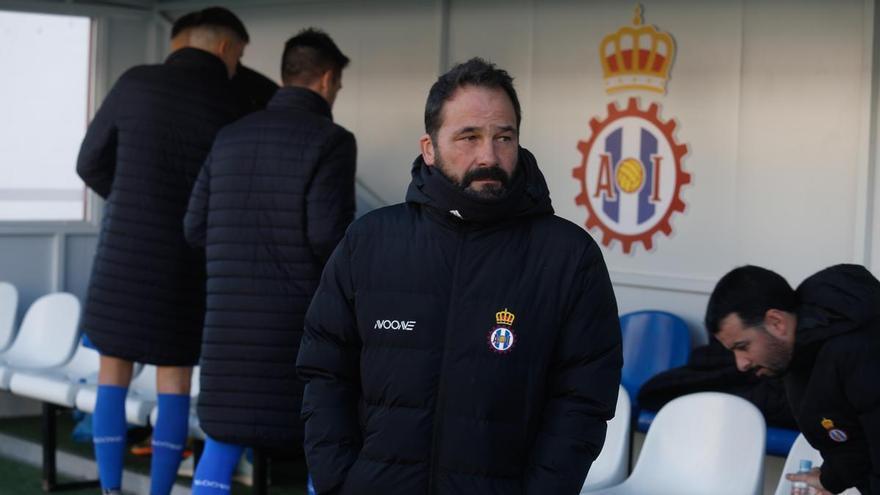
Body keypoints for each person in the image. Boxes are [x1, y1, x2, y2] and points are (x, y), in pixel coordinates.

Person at [296, 57, 622, 495]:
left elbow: (584, 399)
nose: (488, 155)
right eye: (468, 137)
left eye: (503, 137)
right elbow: (325, 371)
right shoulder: (369, 242)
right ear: (429, 148)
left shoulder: (568, 257)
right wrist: (339, 481)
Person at [76, 7, 250, 495]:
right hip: (188, 263)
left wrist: (132, 199)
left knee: (112, 373)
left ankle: (110, 489)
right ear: (222, 48)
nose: (238, 63)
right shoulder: (234, 104)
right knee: (174, 383)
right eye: (239, 53)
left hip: (122, 258)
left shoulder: (135, 84)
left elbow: (89, 162)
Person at [183, 28, 355, 494]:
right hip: (294, 331)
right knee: (322, 443)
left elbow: (194, 226)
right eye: (337, 85)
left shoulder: (229, 137)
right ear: (325, 79)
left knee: (221, 442)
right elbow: (328, 238)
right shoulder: (332, 141)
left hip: (226, 329)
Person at [706, 264, 880, 494]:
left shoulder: (859, 349)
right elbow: (852, 441)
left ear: (777, 322)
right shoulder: (802, 353)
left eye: (743, 346)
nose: (741, 363)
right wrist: (830, 479)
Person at [170, 9, 279, 112]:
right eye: (238, 56)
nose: (236, 69)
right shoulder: (259, 93)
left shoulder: (156, 84)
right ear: (225, 48)